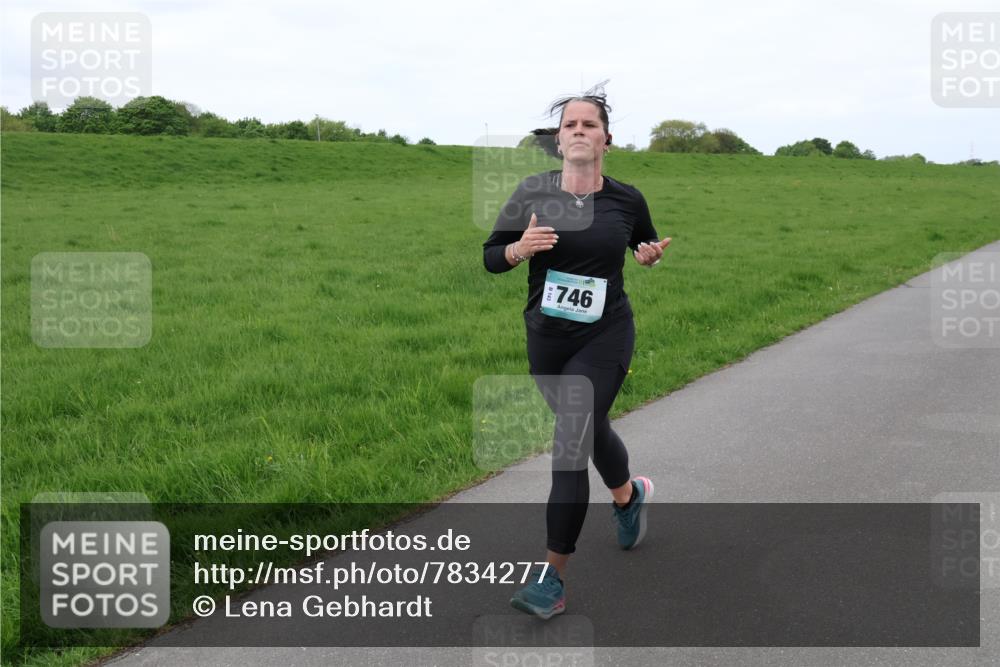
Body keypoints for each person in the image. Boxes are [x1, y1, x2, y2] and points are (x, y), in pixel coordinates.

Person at [481, 83, 672, 619]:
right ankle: (628, 496)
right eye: (571, 125)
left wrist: (649, 256)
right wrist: (519, 249)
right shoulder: (531, 192)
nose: (580, 131)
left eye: (590, 124)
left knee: (570, 439)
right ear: (559, 140)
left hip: (606, 334)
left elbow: (644, 243)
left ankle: (552, 579)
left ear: (606, 139)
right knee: (589, 429)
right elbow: (491, 256)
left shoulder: (627, 198)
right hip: (547, 338)